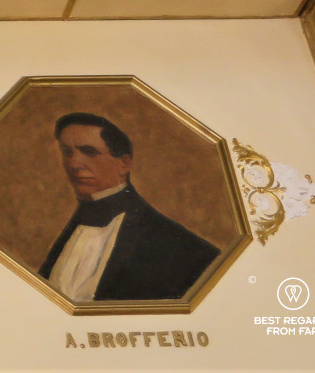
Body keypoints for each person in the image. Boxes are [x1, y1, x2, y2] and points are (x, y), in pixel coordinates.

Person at [37, 112, 220, 302]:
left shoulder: (184, 249)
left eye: (89, 152)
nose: (74, 164)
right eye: (67, 152)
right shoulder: (73, 228)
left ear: (124, 164)